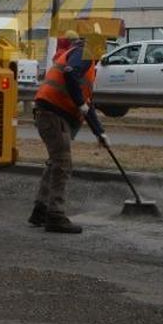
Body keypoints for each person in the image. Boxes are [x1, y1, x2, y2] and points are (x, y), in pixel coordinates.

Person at [29, 32, 105, 234]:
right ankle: (55, 216)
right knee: (62, 163)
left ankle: (41, 209)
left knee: (55, 162)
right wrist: (80, 104)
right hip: (52, 114)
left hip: (50, 113)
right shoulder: (83, 54)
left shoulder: (84, 59)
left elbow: (86, 103)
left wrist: (99, 132)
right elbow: (70, 75)